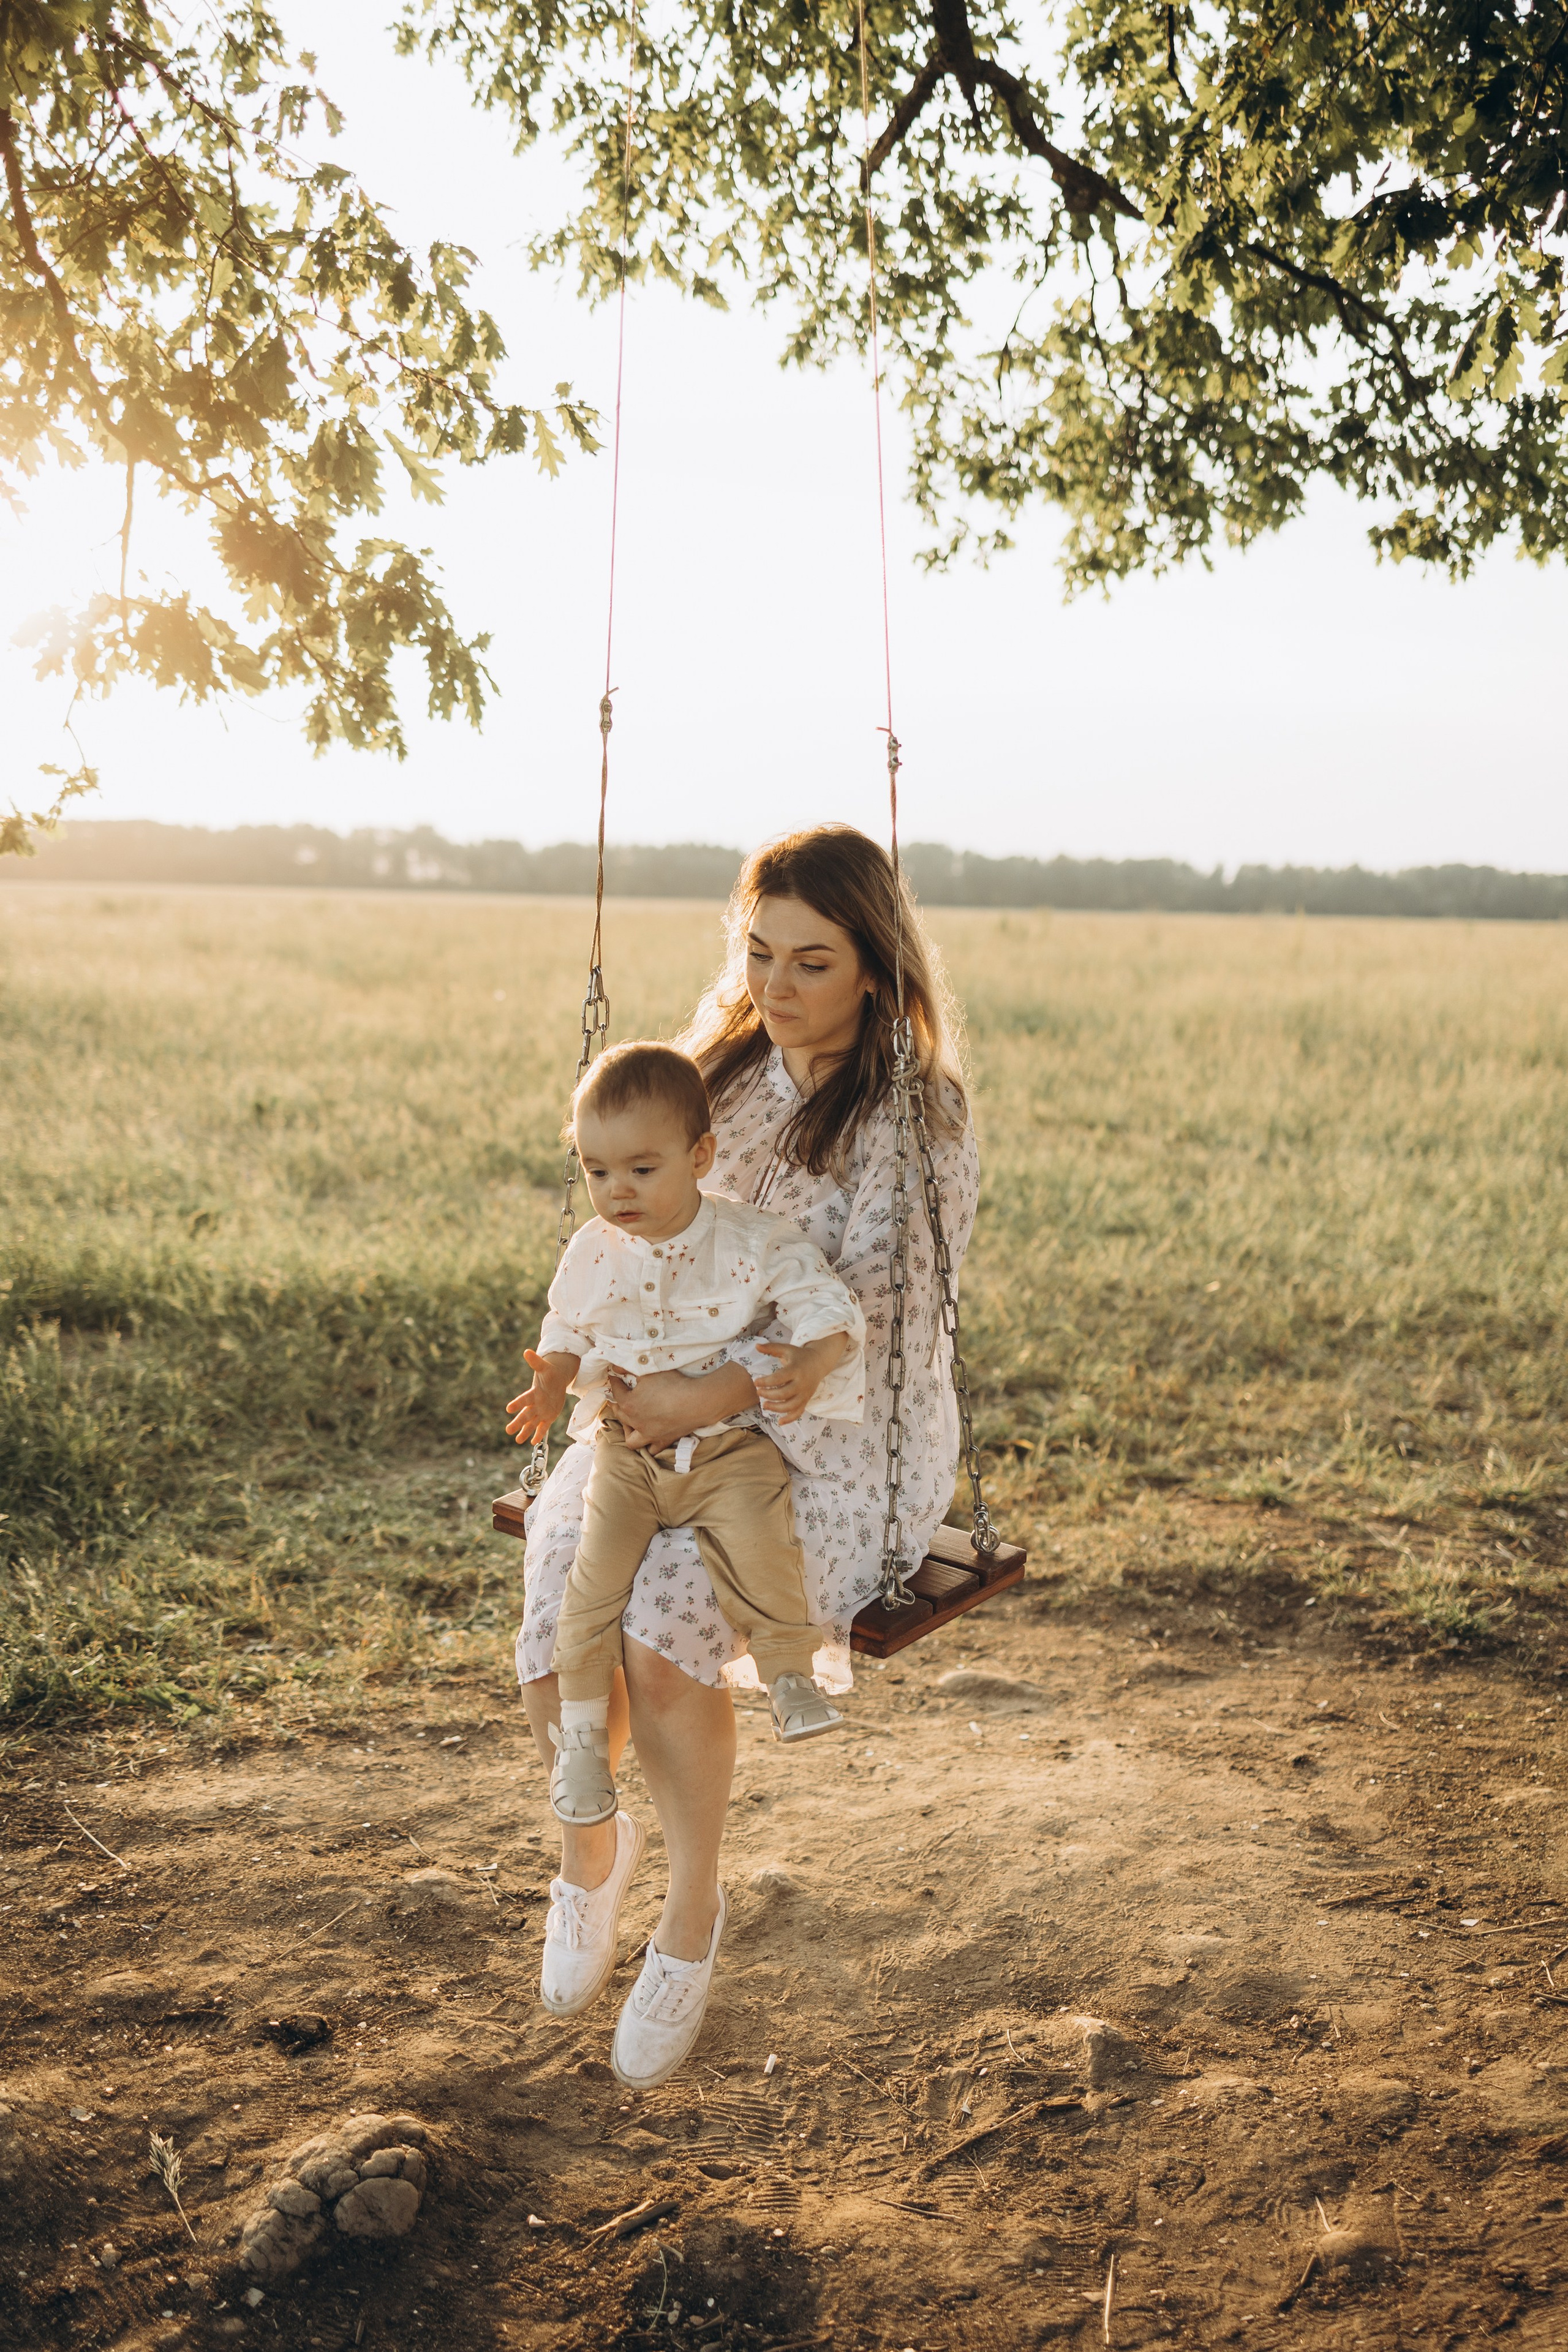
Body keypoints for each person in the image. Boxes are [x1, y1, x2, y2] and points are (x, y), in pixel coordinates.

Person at [509, 823, 978, 2092]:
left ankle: (691, 1914)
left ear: (875, 969)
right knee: (558, 1634)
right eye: (758, 951)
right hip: (657, 1413)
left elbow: (880, 1320)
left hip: (828, 1443)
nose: (776, 986)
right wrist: (598, 1362)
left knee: (660, 1650)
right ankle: (588, 1857)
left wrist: (702, 1393)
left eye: (811, 962)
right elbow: (629, 1224)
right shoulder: (713, 1079)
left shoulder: (911, 1118)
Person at [505, 1038, 867, 1827]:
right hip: (626, 1453)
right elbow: (565, 1323)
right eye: (597, 1172)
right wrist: (551, 1379)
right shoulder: (593, 1249)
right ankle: (580, 1740)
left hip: (728, 1444)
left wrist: (810, 1360)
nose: (617, 1191)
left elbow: (824, 1301)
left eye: (641, 1169)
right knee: (590, 1583)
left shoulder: (748, 1241)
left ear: (700, 1154)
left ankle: (788, 1673)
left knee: (759, 1539)